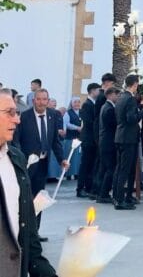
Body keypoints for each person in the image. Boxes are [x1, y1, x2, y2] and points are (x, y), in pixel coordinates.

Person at [0, 88, 57, 277]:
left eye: (16, 112)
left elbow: (27, 230)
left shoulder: (15, 158)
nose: (17, 119)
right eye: (9, 113)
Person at [16, 88, 68, 237]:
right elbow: (17, 141)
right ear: (33, 101)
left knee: (39, 199)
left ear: (48, 100)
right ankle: (23, 232)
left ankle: (35, 233)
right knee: (25, 199)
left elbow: (55, 142)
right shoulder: (24, 117)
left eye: (44, 99)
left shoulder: (52, 115)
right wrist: (20, 161)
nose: (41, 102)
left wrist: (61, 159)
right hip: (27, 165)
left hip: (43, 165)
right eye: (38, 99)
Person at [113, 74, 143, 210]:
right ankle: (119, 200)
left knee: (125, 169)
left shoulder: (122, 97)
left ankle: (127, 196)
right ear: (134, 84)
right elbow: (131, 119)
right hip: (128, 138)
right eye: (137, 85)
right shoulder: (129, 99)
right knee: (124, 170)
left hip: (121, 137)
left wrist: (139, 107)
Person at [95, 86, 120, 202]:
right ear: (110, 95)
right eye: (116, 94)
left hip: (105, 142)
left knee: (106, 169)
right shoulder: (109, 108)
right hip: (108, 143)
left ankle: (102, 193)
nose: (118, 97)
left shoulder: (107, 107)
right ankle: (103, 194)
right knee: (110, 169)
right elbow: (114, 124)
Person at [77, 82, 100, 198]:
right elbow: (89, 122)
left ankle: (89, 187)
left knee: (91, 165)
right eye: (97, 90)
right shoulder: (87, 104)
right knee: (85, 164)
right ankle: (80, 188)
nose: (99, 92)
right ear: (92, 91)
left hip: (92, 139)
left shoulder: (93, 103)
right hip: (88, 139)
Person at [62, 97, 82, 179]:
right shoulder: (68, 113)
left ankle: (76, 173)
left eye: (78, 102)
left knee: (78, 157)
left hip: (79, 138)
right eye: (75, 102)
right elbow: (67, 124)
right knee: (70, 156)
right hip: (70, 138)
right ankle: (68, 174)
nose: (77, 104)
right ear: (71, 103)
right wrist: (77, 128)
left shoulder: (82, 112)